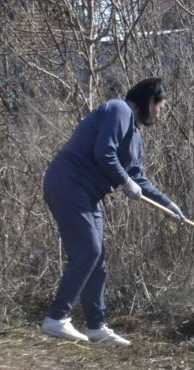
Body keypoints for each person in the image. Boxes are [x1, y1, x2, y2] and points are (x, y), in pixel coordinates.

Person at [40, 78, 182, 344]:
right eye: (160, 107)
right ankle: (56, 318)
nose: (160, 115)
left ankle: (96, 327)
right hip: (68, 183)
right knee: (88, 251)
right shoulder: (119, 110)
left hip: (88, 195)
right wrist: (124, 181)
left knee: (97, 259)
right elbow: (104, 152)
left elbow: (138, 178)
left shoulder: (135, 135)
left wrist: (167, 204)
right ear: (149, 101)